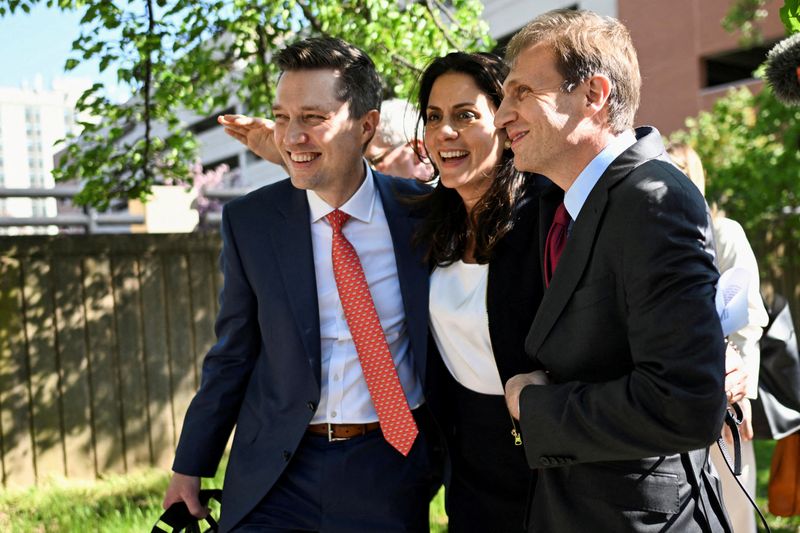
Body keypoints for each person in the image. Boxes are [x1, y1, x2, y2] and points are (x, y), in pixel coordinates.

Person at [162, 36, 437, 532]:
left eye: (312, 118)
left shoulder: (423, 213)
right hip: (276, 472)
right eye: (282, 118)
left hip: (390, 467)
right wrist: (189, 466)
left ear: (367, 125)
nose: (291, 136)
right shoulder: (251, 221)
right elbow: (233, 352)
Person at [496, 10, 733, 531]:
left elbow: (686, 404)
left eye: (520, 93)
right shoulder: (564, 205)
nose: (499, 116)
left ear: (593, 95)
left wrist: (534, 406)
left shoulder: (655, 200)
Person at [415, 52, 542, 532]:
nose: (445, 131)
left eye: (465, 115)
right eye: (433, 117)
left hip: (547, 460)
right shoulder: (432, 225)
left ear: (505, 125)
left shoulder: (547, 218)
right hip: (468, 463)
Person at [667, 141, 769, 533]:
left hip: (724, 395)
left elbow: (746, 320)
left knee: (734, 508)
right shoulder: (652, 240)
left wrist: (739, 401)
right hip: (673, 397)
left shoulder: (722, 233)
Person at [219, 98, 433, 182]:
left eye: (375, 161)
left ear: (418, 153)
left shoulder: (453, 212)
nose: (366, 171)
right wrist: (287, 158)